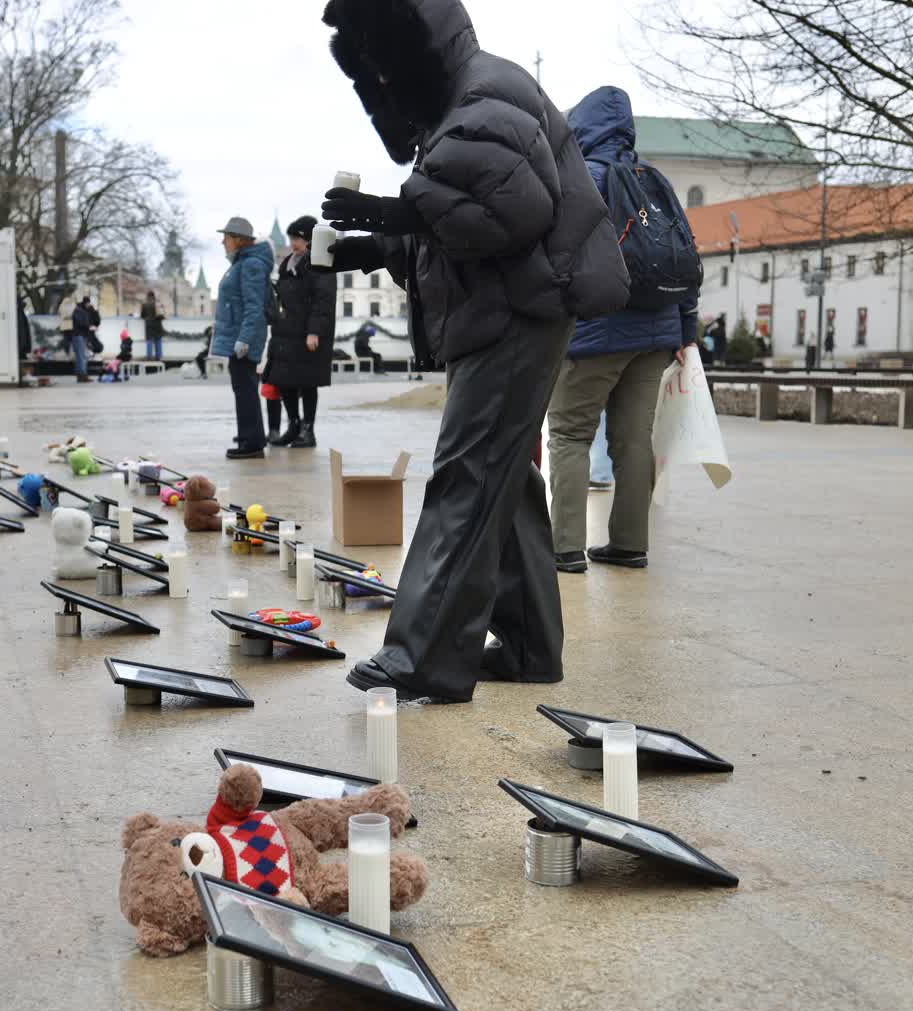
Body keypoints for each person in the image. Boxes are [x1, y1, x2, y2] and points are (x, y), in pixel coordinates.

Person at [317, 0, 630, 703]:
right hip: (510, 310)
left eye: (383, 62)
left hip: (516, 314)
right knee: (502, 479)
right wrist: (369, 246)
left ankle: (422, 655)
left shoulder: (484, 96)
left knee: (467, 474)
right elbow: (462, 217)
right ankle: (526, 646)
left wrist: (401, 212)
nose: (381, 80)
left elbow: (510, 213)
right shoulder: (467, 96)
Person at [546, 86, 700, 574]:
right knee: (635, 440)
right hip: (656, 336)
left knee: (569, 434)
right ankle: (630, 543)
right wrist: (686, 330)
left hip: (595, 333)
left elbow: (556, 256)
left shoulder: (580, 178)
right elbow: (686, 255)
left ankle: (565, 547)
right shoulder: (653, 180)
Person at [265, 215, 337, 448]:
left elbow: (323, 301)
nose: (294, 243)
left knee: (307, 382)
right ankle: (294, 425)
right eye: (292, 238)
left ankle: (308, 430)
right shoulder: (288, 265)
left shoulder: (320, 264)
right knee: (284, 381)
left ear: (310, 240)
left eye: (298, 238)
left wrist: (314, 331)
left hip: (306, 333)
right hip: (286, 333)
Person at [210, 216, 274, 459]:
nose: (223, 242)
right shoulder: (243, 262)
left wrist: (244, 339)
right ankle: (248, 435)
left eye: (226, 238)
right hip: (238, 336)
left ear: (238, 239)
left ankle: (252, 443)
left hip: (243, 338)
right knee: (243, 388)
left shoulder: (251, 265)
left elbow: (254, 307)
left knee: (246, 389)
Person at [67, 296, 97, 382]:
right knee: (81, 356)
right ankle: (82, 375)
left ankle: (81, 375)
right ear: (85, 303)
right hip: (79, 336)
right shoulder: (79, 310)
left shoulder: (83, 310)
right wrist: (89, 327)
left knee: (81, 356)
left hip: (81, 335)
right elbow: (80, 323)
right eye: (88, 303)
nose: (89, 305)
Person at [141, 291, 165, 361]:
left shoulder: (145, 304)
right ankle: (158, 357)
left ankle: (149, 357)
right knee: (158, 340)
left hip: (149, 324)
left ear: (147, 296)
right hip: (157, 324)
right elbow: (162, 314)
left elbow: (142, 315)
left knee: (149, 341)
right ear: (153, 296)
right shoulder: (158, 303)